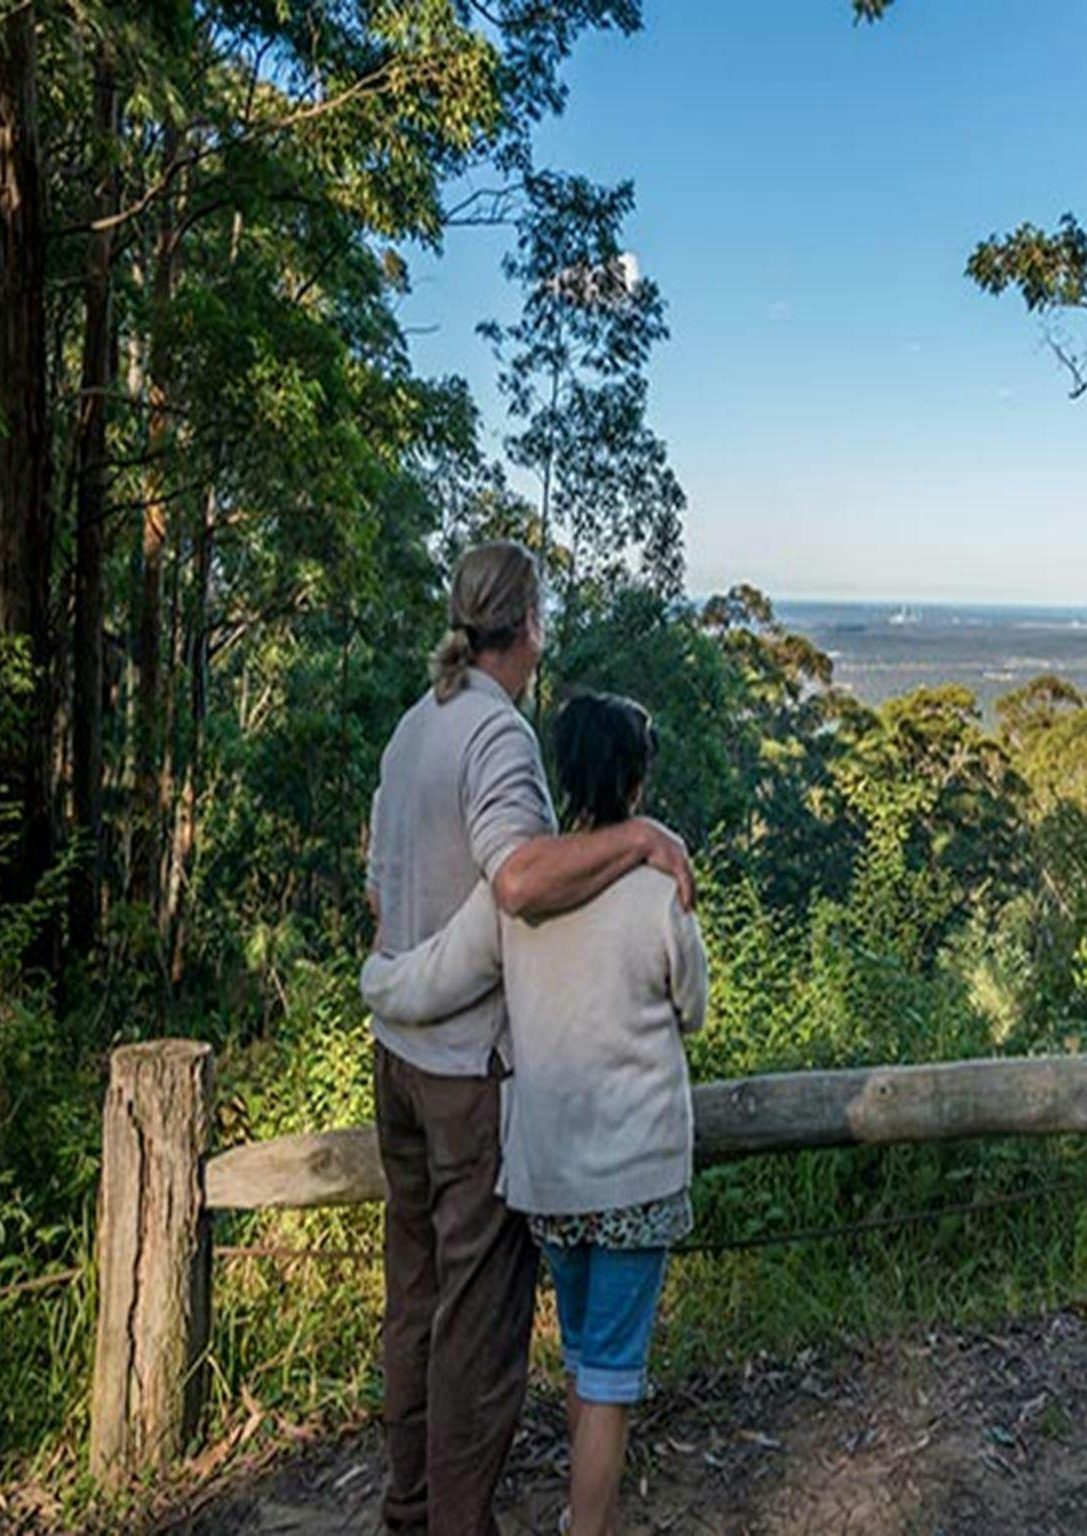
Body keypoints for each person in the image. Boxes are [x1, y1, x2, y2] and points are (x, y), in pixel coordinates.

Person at [365, 543, 694, 1536]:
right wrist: (639, 840)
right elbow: (516, 882)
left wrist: (395, 986)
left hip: (398, 1054)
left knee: (414, 1297)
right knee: (476, 1321)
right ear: (529, 629)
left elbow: (382, 889)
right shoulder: (498, 735)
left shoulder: (413, 728)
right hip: (466, 1069)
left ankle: (408, 1505)